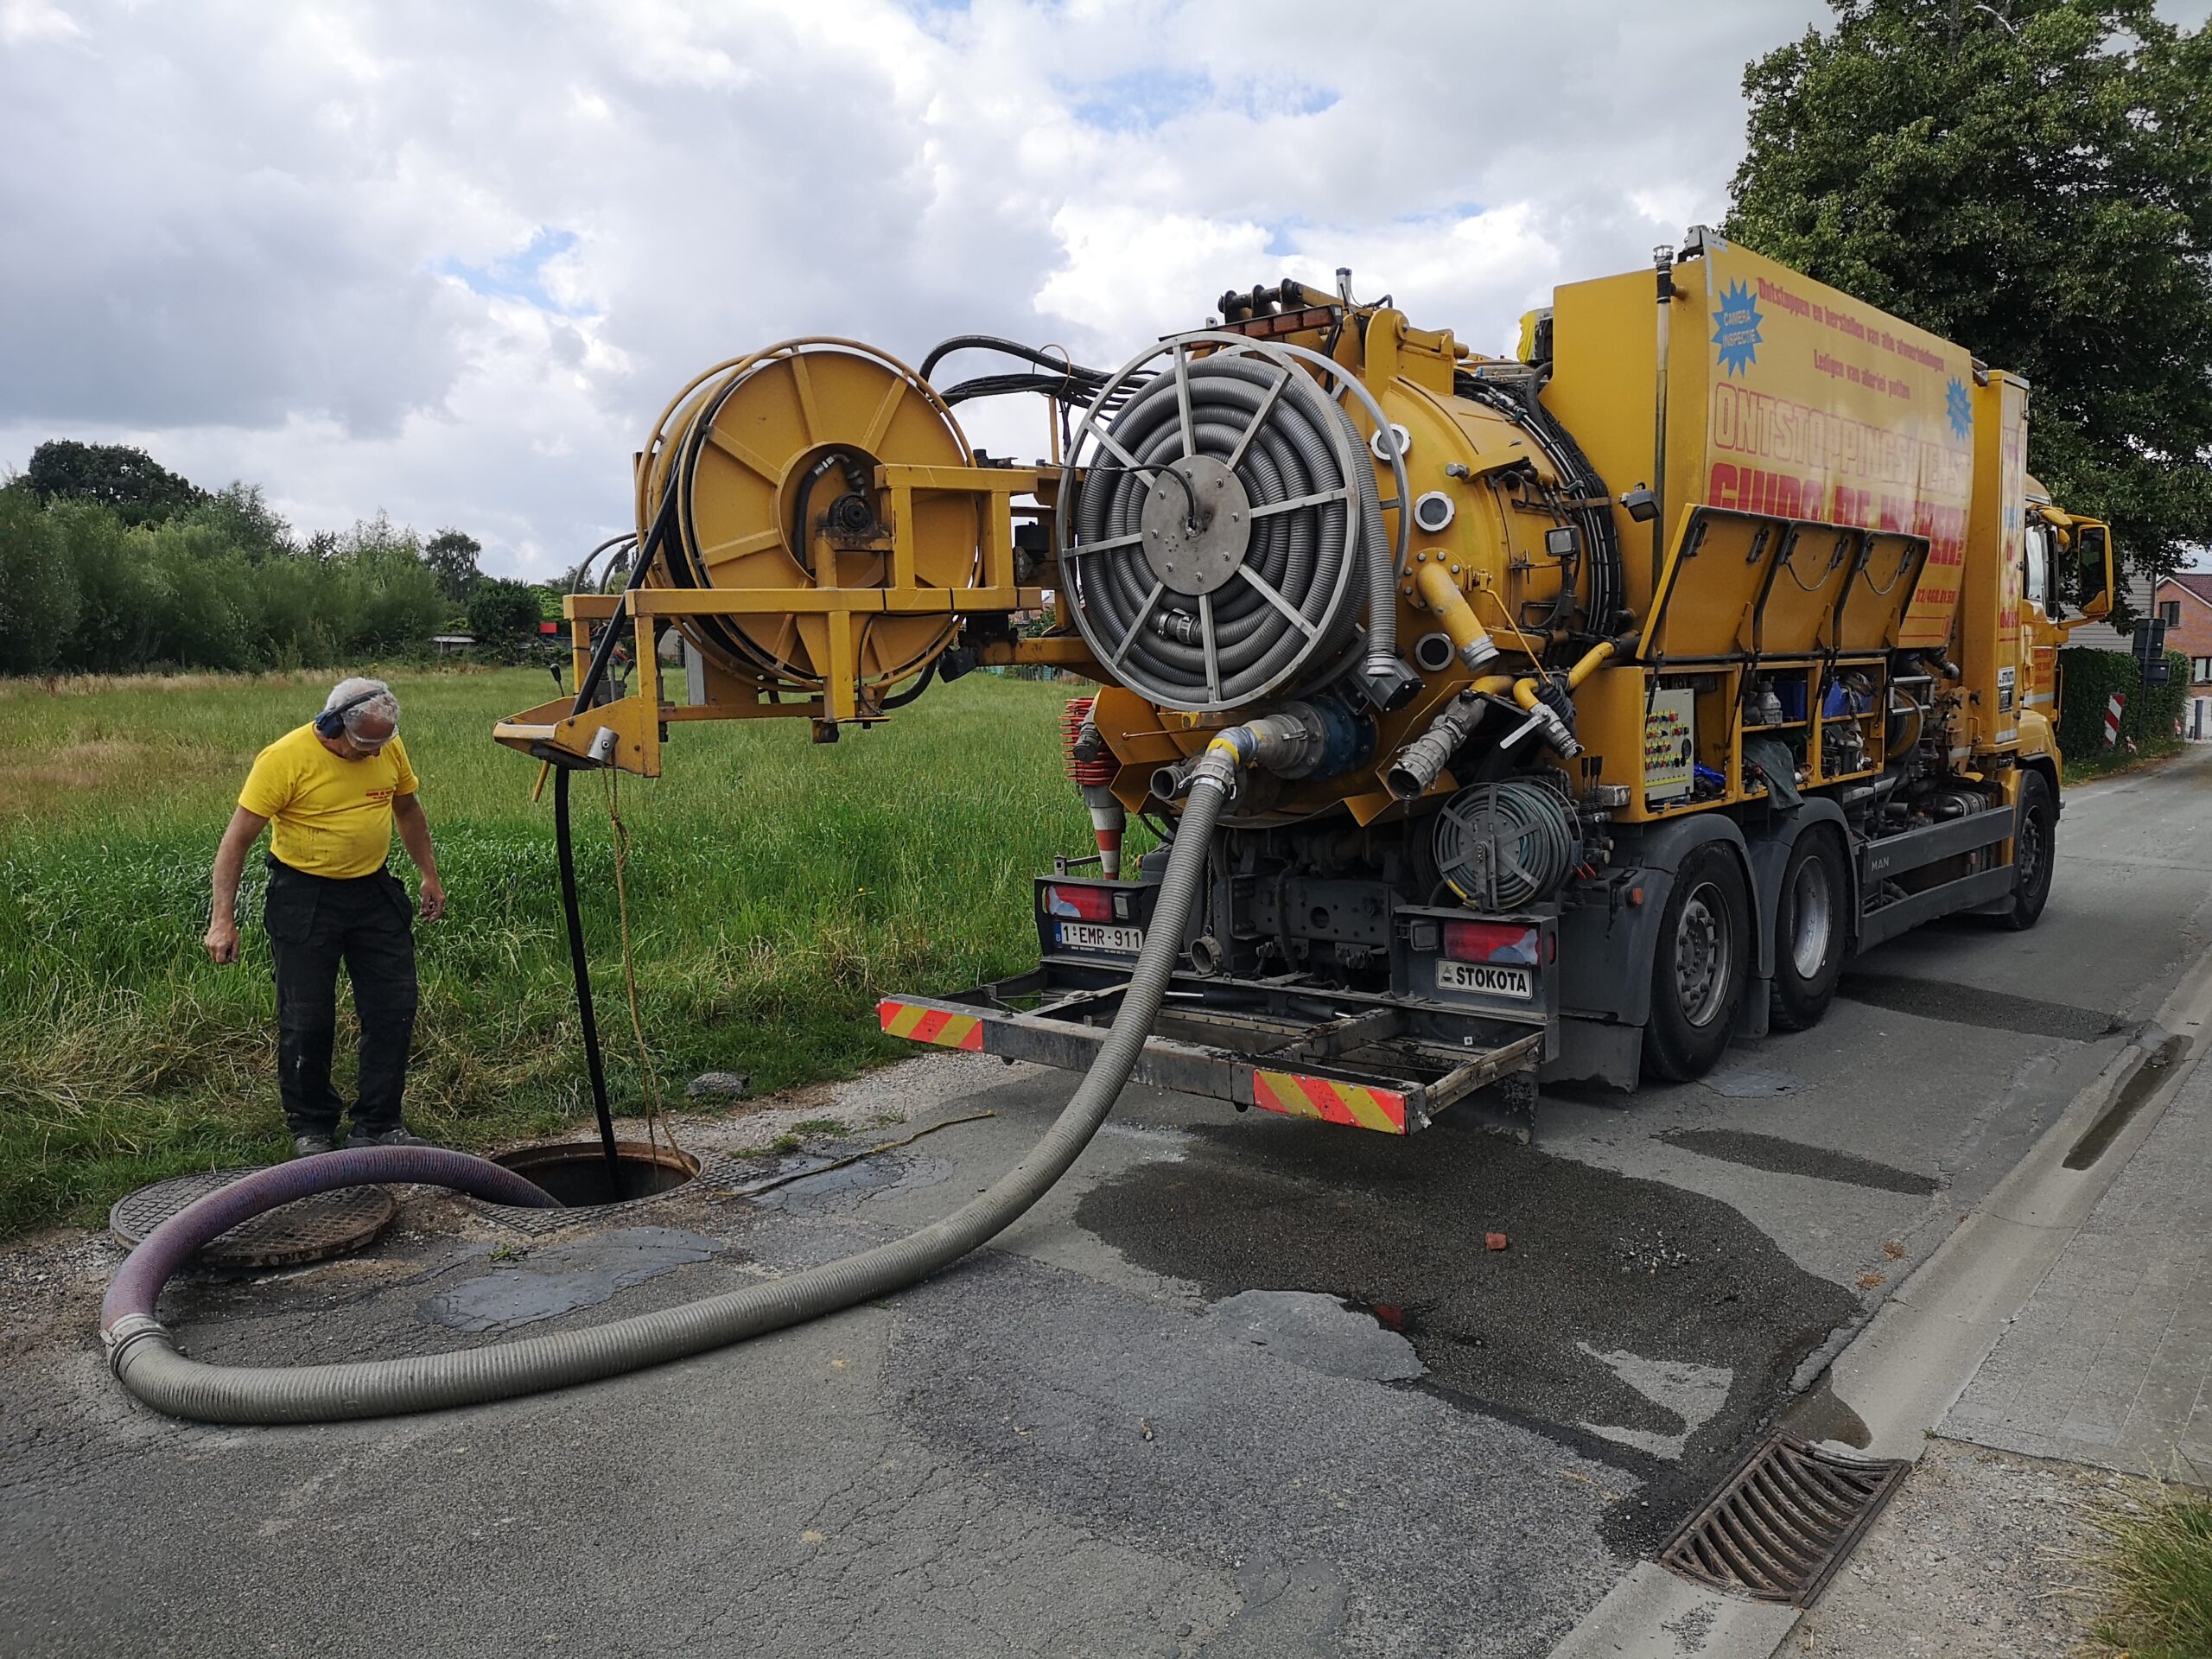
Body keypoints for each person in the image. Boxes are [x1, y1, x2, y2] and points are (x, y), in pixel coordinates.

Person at [205, 677, 447, 1157]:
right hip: (304, 894)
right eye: (366, 744)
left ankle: (378, 1122)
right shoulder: (283, 760)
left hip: (372, 890)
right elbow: (235, 843)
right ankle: (312, 1126)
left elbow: (408, 808)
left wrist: (429, 875)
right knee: (307, 1015)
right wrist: (222, 919)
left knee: (392, 1007)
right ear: (332, 725)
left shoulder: (386, 749)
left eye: (385, 743)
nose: (377, 754)